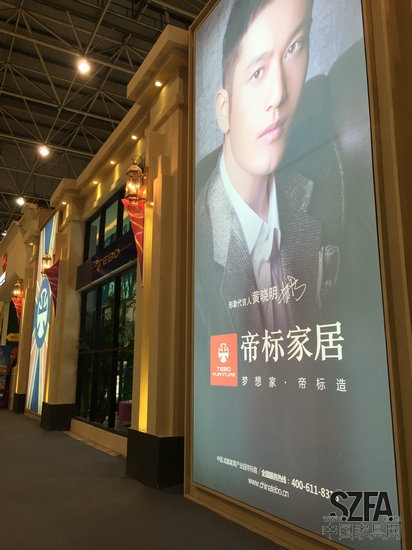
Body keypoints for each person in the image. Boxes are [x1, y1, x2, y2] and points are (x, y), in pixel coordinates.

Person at [195, 0, 336, 339]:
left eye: (294, 47)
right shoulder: (195, 246)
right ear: (224, 109)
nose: (279, 93)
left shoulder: (333, 169)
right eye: (257, 72)